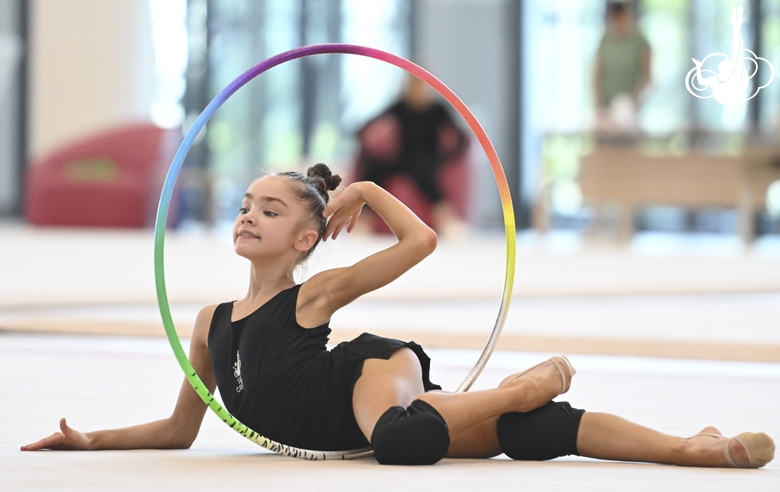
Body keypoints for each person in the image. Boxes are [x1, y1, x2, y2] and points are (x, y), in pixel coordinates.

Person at [22, 164, 774, 468]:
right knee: (522, 436)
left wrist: (369, 191)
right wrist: (91, 440)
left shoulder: (310, 297)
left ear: (307, 238)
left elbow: (422, 240)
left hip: (365, 378)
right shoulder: (209, 323)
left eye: (272, 209)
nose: (250, 215)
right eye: (246, 205)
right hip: (351, 415)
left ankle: (518, 384)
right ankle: (690, 448)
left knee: (403, 442)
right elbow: (179, 430)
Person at [356, 75, 468, 235]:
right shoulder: (401, 107)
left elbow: (461, 138)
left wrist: (446, 160)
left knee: (422, 171)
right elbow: (364, 127)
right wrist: (367, 152)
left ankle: (446, 219)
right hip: (402, 161)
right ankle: (363, 222)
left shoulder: (437, 110)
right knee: (375, 170)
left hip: (427, 162)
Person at [593, 2, 652, 133]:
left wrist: (631, 101)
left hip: (629, 109)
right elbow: (597, 74)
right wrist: (598, 106)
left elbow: (648, 77)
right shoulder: (605, 41)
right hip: (606, 108)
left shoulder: (640, 42)